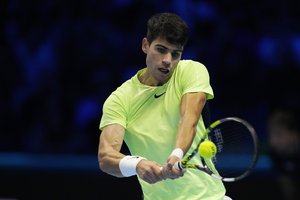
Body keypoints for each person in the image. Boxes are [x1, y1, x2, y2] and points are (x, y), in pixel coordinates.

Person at [98, 12, 230, 200]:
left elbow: (188, 119)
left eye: (175, 53)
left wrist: (176, 154)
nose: (167, 60)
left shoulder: (191, 71)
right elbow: (106, 156)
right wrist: (137, 164)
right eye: (161, 49)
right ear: (145, 45)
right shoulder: (120, 99)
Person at [267, 106, 300, 200]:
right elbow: (288, 189)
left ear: (294, 133)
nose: (272, 141)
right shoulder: (274, 153)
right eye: (270, 134)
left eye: (279, 134)